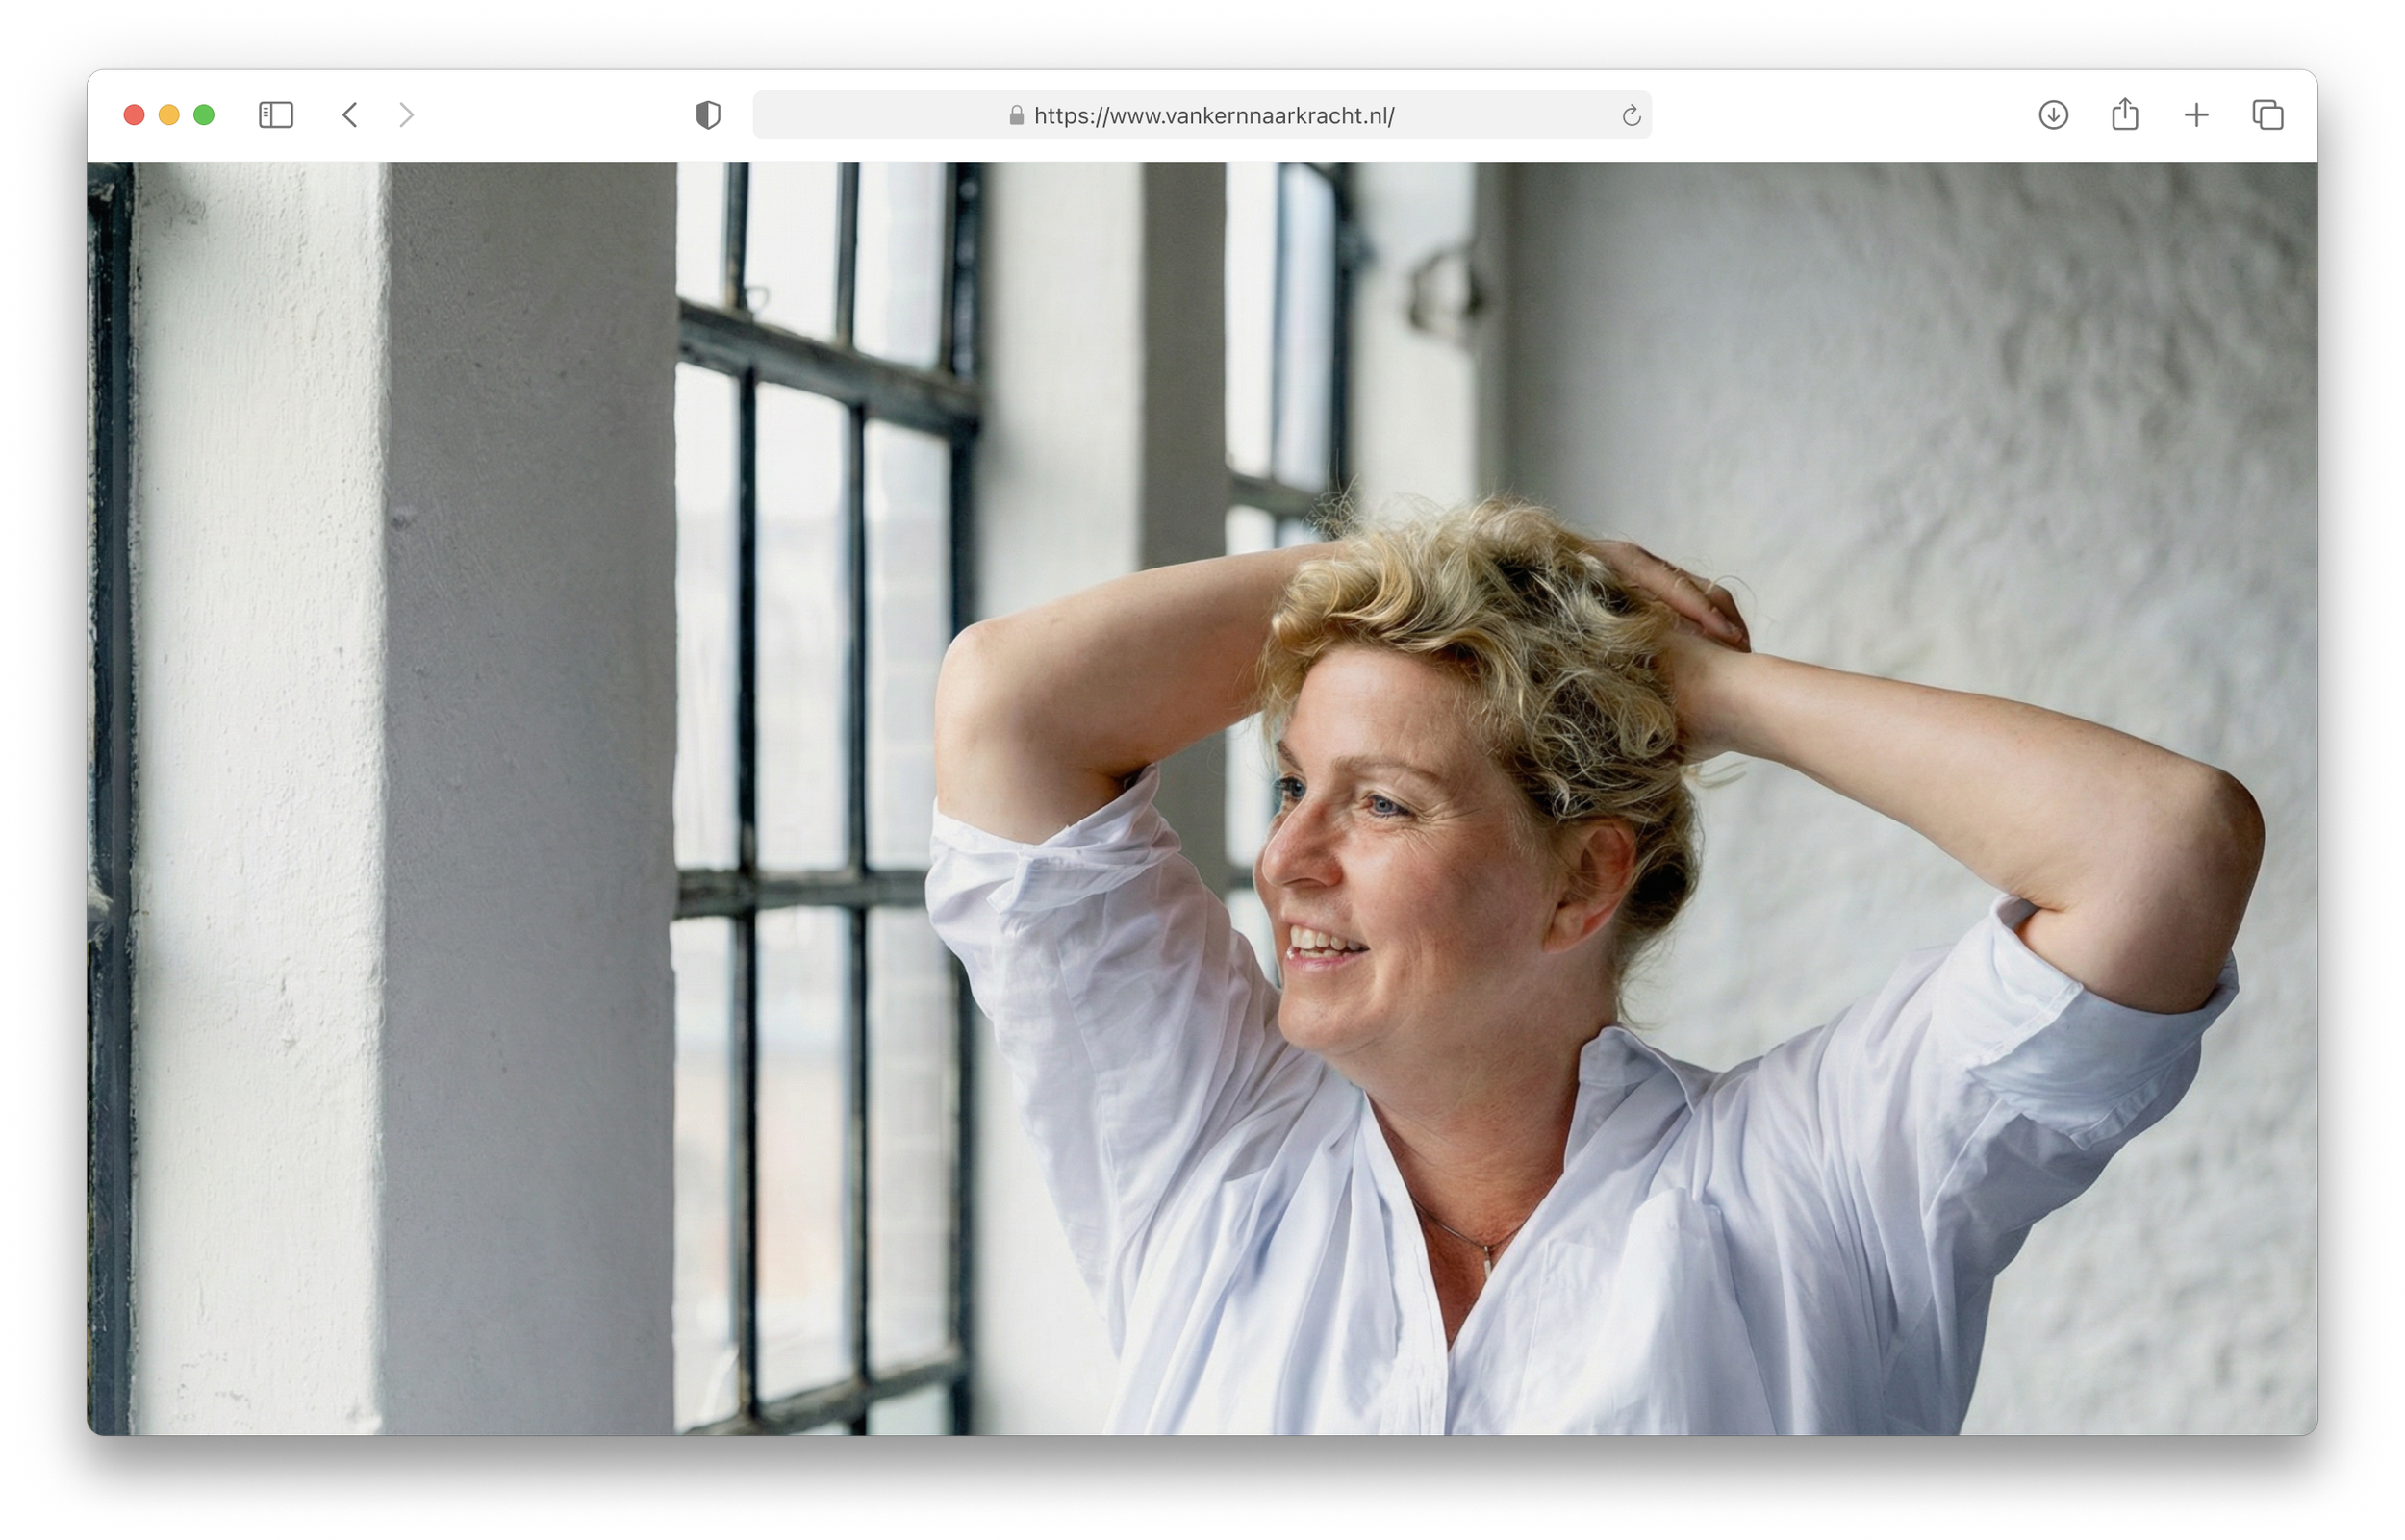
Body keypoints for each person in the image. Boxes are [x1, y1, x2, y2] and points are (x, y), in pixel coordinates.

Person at [926, 499, 2261, 1434]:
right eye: (1293, 788)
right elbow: (1009, 707)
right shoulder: (1208, 1150)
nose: (1286, 859)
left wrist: (1686, 678)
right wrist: (1484, 570)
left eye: (1380, 803)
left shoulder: (1818, 1189)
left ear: (1582, 880)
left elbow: (2162, 844)